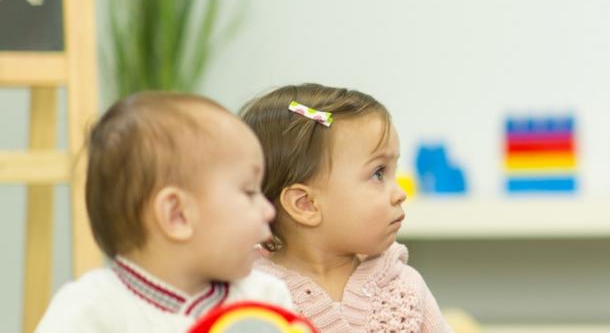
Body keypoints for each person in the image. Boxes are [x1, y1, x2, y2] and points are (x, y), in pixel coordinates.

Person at [36, 93, 294, 332]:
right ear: (177, 215)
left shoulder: (265, 300)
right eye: (249, 192)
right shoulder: (89, 308)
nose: (269, 210)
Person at [242, 84, 451, 332]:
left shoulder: (406, 288)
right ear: (306, 204)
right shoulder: (253, 295)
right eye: (378, 173)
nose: (400, 193)